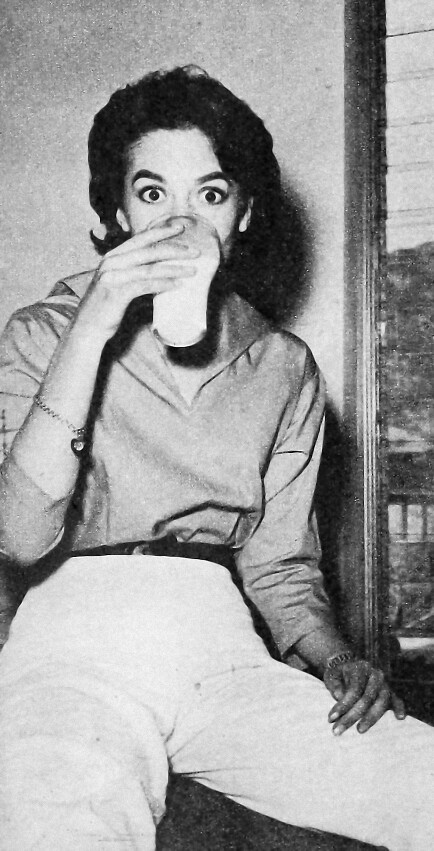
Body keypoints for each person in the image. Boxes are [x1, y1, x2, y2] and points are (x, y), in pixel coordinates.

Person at [0, 66, 432, 851]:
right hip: (71, 638)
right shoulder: (43, 332)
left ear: (244, 214)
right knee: (57, 817)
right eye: (151, 192)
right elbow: (21, 537)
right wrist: (93, 323)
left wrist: (339, 656)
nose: (179, 221)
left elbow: (280, 565)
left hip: (219, 647)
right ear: (117, 211)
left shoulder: (283, 366)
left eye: (210, 192)